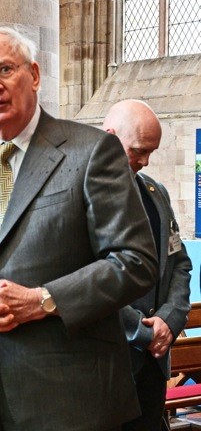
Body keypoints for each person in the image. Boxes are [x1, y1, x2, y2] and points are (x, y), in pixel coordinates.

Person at [0, 24, 159, 431]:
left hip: (66, 397)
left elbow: (136, 261)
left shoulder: (92, 152)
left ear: (35, 76)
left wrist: (43, 300)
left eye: (4, 69)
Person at [103, 99, 192, 431]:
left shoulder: (156, 193)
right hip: (110, 364)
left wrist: (169, 320)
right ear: (110, 138)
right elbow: (85, 279)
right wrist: (141, 331)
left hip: (154, 362)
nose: (145, 160)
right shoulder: (79, 199)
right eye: (138, 150)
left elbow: (179, 261)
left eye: (151, 151)